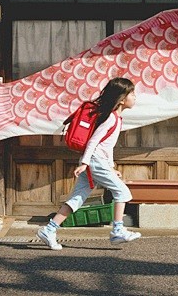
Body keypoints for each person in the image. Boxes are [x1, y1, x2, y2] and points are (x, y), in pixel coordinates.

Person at [37, 77, 140, 250]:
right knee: (122, 192)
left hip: (96, 162)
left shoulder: (116, 119)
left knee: (77, 199)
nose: (135, 97)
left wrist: (111, 167)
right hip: (94, 161)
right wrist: (85, 163)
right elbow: (93, 141)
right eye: (132, 94)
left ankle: (49, 229)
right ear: (122, 99)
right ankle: (117, 230)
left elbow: (106, 145)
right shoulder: (111, 118)